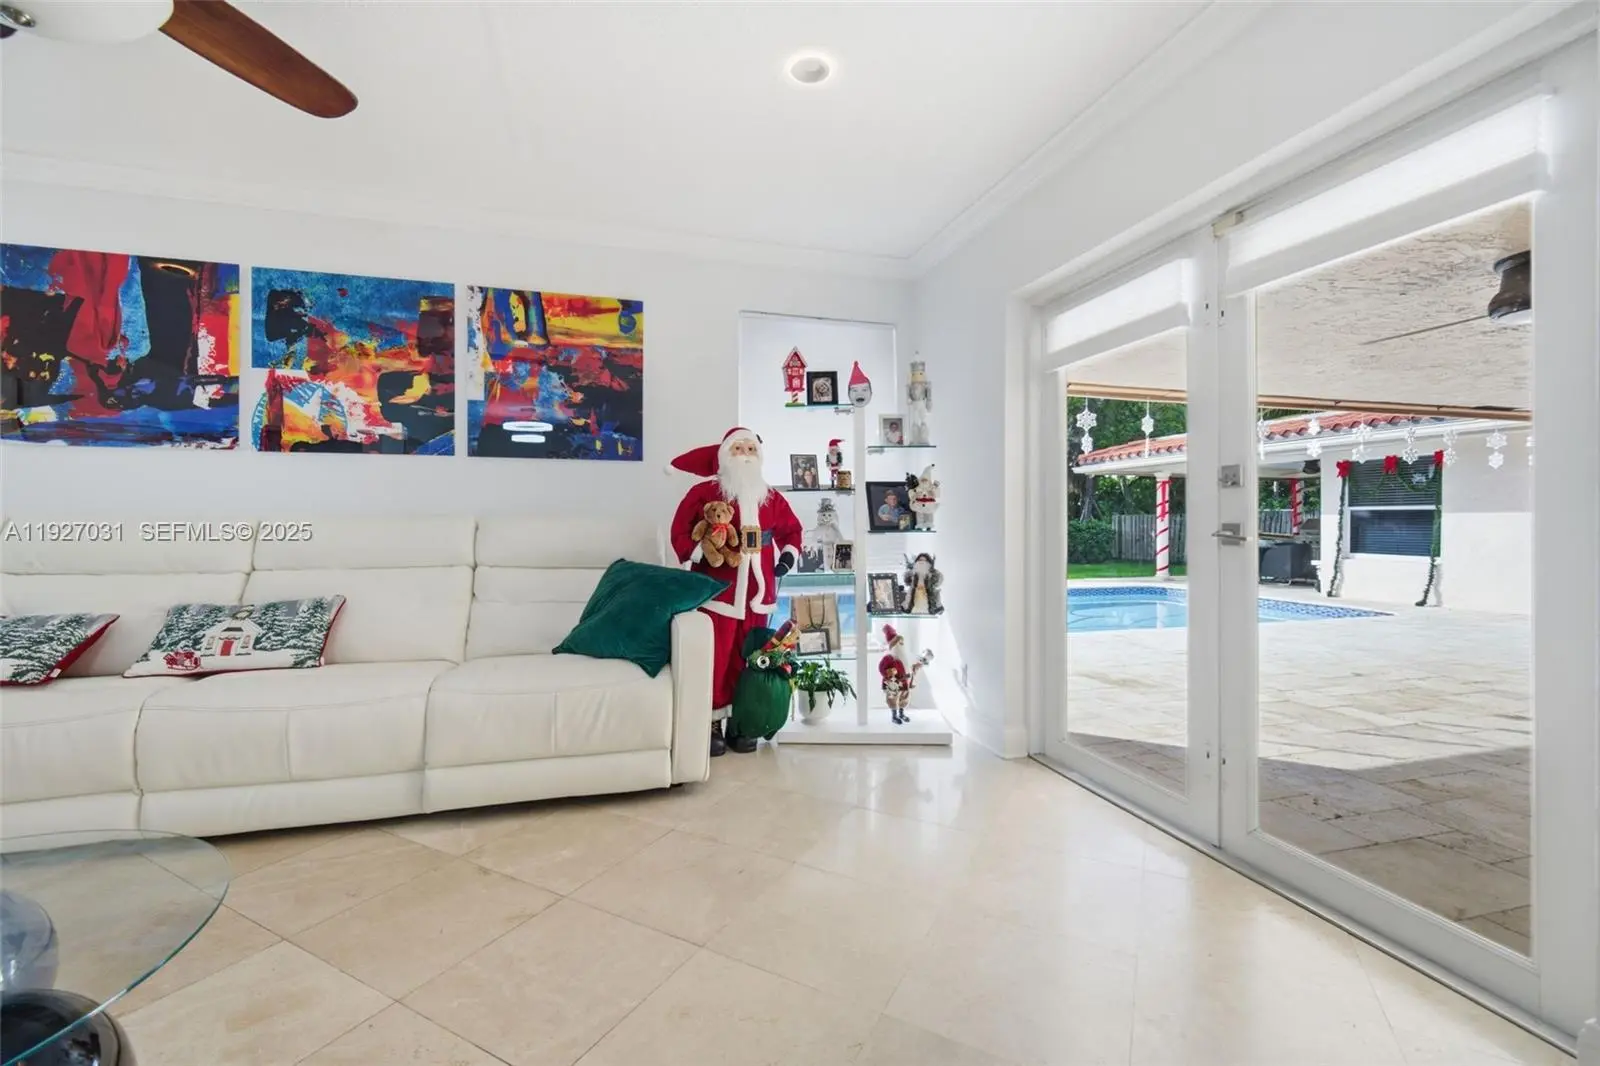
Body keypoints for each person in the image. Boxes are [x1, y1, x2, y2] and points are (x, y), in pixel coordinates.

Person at [670, 427, 804, 755]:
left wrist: (787, 558)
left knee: (751, 660)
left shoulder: (771, 497)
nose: (745, 455)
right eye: (738, 449)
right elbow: (680, 532)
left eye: (750, 449)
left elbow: (793, 531)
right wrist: (700, 553)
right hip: (719, 592)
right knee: (716, 658)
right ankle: (711, 722)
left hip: (759, 594)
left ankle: (742, 722)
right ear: (724, 455)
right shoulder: (704, 493)